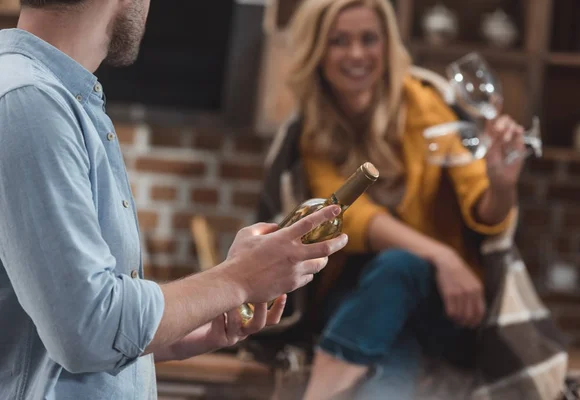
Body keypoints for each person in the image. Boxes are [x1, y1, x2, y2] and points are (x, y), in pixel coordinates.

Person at [0, 1, 349, 399]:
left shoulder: (52, 98)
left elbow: (64, 330)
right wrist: (238, 279)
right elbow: (88, 328)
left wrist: (194, 323)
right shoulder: (30, 103)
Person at [262, 0, 527, 398]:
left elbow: (483, 207)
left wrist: (501, 184)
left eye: (369, 39)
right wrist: (442, 254)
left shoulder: (423, 103)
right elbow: (347, 214)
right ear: (317, 51)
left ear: (387, 45)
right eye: (339, 41)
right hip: (356, 299)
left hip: (446, 301)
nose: (356, 54)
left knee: (401, 266)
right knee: (391, 369)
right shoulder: (312, 127)